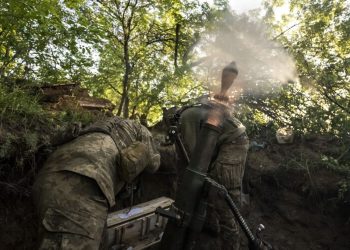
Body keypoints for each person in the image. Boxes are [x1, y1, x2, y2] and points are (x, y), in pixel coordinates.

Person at [32, 116, 160, 250]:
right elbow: (153, 164)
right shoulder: (141, 130)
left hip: (48, 175)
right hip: (82, 185)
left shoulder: (100, 124)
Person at [177, 61, 249, 250]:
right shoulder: (190, 116)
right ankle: (210, 226)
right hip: (217, 141)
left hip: (234, 141)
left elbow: (193, 157)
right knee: (203, 182)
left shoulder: (187, 119)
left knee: (223, 193)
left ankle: (231, 243)